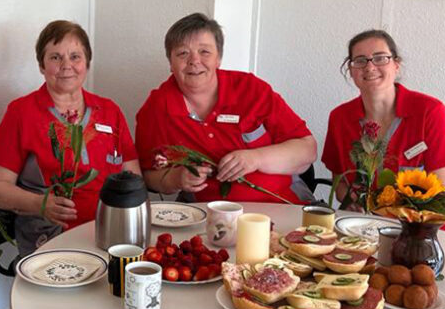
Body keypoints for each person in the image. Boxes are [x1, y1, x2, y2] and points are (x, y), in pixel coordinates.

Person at [0, 19, 137, 309]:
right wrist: (41, 203)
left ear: (87, 62)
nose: (65, 65)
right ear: (41, 65)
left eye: (75, 56)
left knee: (136, 289)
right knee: (91, 300)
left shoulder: (109, 111)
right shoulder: (21, 113)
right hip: (48, 234)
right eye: (55, 57)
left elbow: (131, 174)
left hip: (110, 232)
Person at [321, 29, 445, 247]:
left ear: (396, 65)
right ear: (350, 70)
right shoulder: (340, 118)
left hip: (437, 224)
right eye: (360, 60)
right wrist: (354, 203)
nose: (370, 67)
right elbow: (340, 183)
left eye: (380, 58)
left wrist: (390, 219)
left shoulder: (430, 111)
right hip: (369, 227)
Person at [136, 13, 317, 204]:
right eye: (182, 53)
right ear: (171, 63)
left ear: (218, 59)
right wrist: (176, 178)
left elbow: (307, 150)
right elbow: (147, 176)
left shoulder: (252, 90)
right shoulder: (156, 108)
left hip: (281, 205)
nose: (194, 60)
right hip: (206, 216)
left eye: (204, 52)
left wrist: (256, 159)